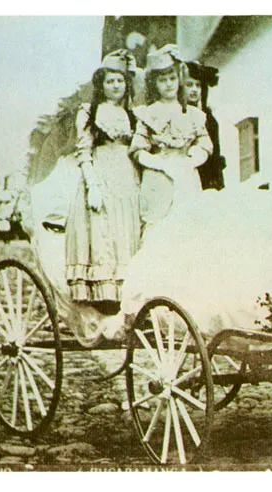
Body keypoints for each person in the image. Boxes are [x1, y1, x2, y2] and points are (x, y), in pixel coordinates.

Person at [65, 49, 142, 312]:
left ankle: (126, 295)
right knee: (103, 231)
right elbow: (84, 152)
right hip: (101, 174)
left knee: (126, 230)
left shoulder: (132, 115)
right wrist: (92, 186)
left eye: (120, 80)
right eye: (110, 81)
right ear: (102, 84)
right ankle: (103, 296)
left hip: (127, 178)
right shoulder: (90, 112)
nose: (116, 86)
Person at [130, 45, 213, 229]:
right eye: (162, 80)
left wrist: (193, 158)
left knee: (188, 227)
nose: (168, 84)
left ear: (179, 80)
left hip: (185, 174)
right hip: (158, 177)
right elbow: (138, 148)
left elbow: (205, 142)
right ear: (154, 83)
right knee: (158, 227)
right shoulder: (147, 113)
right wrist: (160, 163)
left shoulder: (192, 114)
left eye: (172, 78)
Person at [184, 60, 226, 191]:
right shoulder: (175, 113)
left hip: (205, 178)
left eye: (198, 85)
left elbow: (214, 156)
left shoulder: (208, 119)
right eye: (189, 85)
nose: (194, 90)